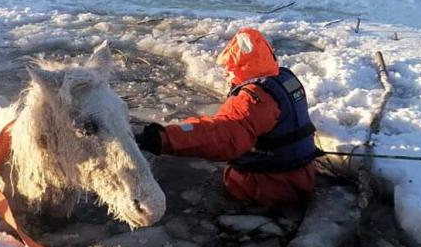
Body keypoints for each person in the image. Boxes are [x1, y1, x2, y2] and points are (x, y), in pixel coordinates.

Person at [135, 28, 318, 209]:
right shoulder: (285, 78)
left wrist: (164, 138)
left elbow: (222, 136)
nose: (227, 74)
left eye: (230, 69)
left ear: (239, 66)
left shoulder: (254, 98)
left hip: (267, 185)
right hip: (302, 174)